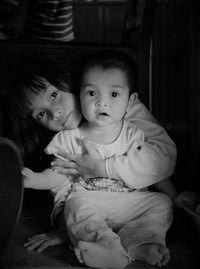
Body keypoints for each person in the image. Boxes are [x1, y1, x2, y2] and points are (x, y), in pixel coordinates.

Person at [18, 53, 179, 268]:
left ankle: (139, 243)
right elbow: (58, 173)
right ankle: (108, 249)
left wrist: (175, 197)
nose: (54, 113)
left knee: (161, 203)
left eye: (54, 94)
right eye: (40, 114)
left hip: (130, 202)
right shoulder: (67, 138)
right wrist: (35, 180)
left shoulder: (131, 128)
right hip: (92, 202)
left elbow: (157, 165)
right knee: (76, 206)